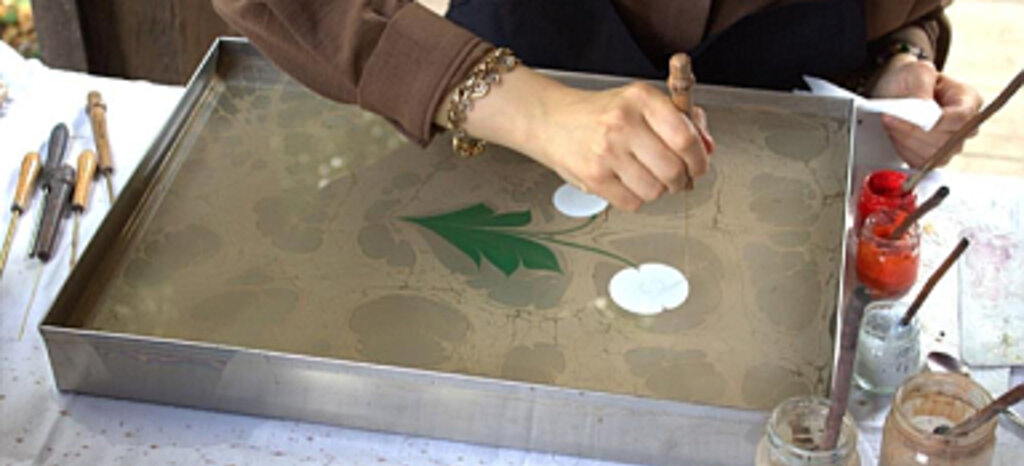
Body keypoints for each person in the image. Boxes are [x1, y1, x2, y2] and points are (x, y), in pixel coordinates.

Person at [212, 0, 982, 211]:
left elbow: (912, 13)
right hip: (494, 165)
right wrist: (532, 110)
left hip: (776, 221)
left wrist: (903, 59)